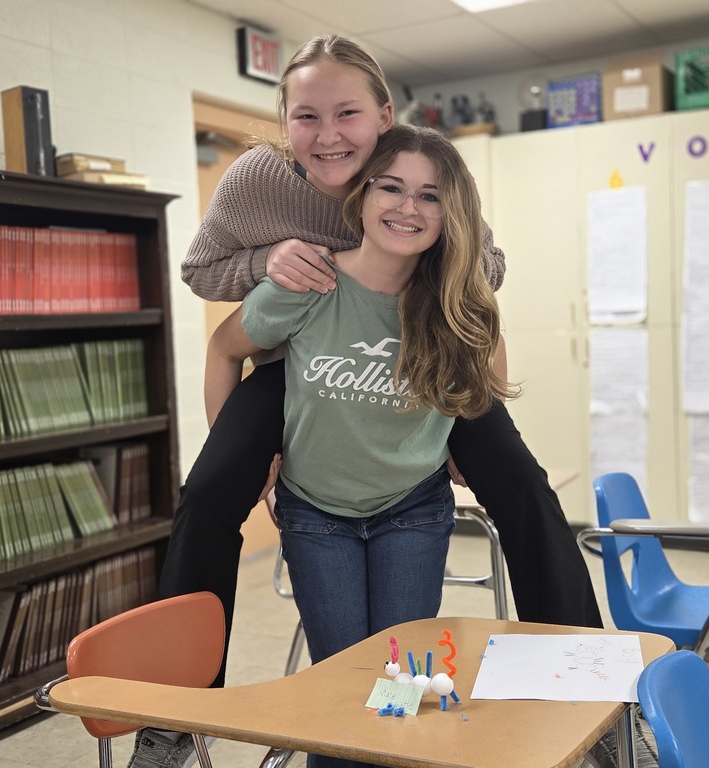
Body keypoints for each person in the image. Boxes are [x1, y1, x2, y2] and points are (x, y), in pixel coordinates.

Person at [128, 34, 602, 768]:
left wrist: (429, 257)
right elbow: (200, 272)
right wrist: (268, 260)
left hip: (420, 351)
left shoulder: (412, 169)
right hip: (295, 362)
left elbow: (486, 272)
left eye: (346, 113)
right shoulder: (258, 180)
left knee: (525, 490)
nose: (327, 135)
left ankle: (587, 697)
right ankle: (176, 716)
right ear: (283, 122)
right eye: (305, 117)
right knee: (210, 491)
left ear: (384, 116)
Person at [216, 123, 512, 768]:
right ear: (362, 195)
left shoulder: (456, 300)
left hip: (415, 508)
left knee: (400, 688)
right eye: (392, 187)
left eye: (431, 196)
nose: (409, 207)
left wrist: (465, 445)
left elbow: (490, 377)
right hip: (315, 514)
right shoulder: (309, 283)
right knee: (343, 688)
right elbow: (224, 348)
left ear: (450, 213)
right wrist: (240, 459)